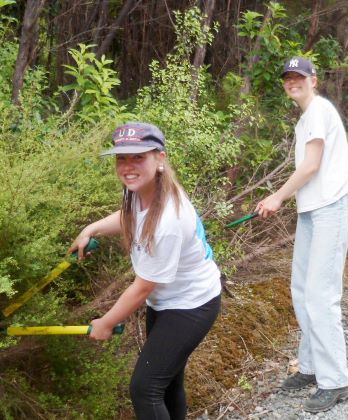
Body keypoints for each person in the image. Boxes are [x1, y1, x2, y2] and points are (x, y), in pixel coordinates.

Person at [69, 122, 222, 420]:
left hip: (191, 305)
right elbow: (129, 216)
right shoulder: (142, 190)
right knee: (166, 384)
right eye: (122, 158)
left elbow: (142, 287)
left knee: (145, 389)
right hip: (167, 301)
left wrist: (105, 322)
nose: (128, 166)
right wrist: (92, 228)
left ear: (160, 158)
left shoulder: (169, 221)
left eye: (138, 157)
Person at [255, 56, 348, 413]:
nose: (292, 82)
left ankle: (336, 380)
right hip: (312, 210)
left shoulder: (319, 111)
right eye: (288, 77)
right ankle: (311, 366)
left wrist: (277, 197)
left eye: (299, 76)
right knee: (302, 289)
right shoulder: (307, 117)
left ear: (314, 80)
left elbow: (311, 166)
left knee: (320, 294)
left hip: (332, 207)